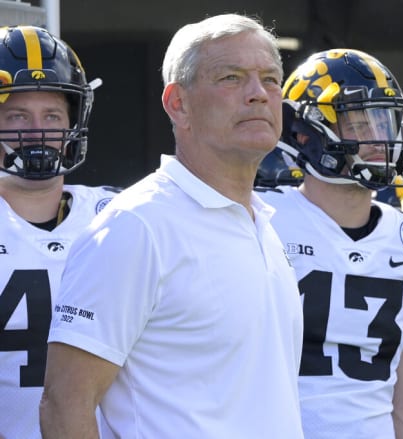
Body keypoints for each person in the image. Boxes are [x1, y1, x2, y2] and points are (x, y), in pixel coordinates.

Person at [39, 14, 304, 438]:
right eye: (232, 78)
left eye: (271, 79)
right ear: (177, 103)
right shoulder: (136, 226)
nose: (258, 94)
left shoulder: (264, 225)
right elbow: (64, 405)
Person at [257, 48, 403, 438]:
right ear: (303, 133)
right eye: (359, 124)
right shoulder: (259, 220)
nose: (379, 138)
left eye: (384, 121)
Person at [0, 25, 117, 439]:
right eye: (17, 116)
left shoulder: (120, 214)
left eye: (52, 115)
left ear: (73, 122)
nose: (37, 132)